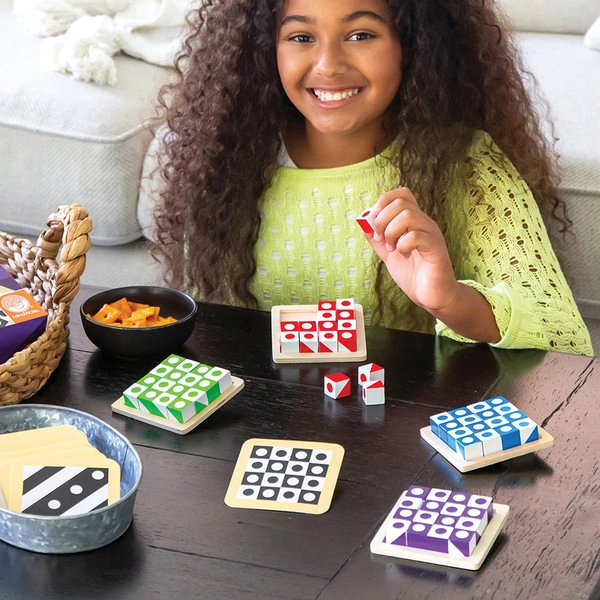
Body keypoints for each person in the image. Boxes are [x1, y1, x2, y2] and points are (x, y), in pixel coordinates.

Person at [151, 0, 593, 356]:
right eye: (301, 37)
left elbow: (564, 337)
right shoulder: (227, 167)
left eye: (360, 34)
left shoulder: (467, 165)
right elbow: (206, 330)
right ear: (265, 50)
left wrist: (449, 299)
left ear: (413, 45)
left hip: (407, 424)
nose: (328, 66)